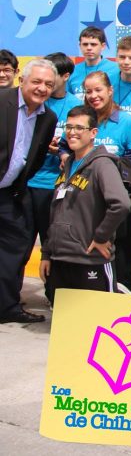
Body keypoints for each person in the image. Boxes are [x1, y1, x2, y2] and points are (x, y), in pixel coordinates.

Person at [40, 103, 131, 301]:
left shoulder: (103, 164)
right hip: (60, 260)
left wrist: (100, 236)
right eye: (69, 127)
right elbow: (56, 212)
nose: (72, 133)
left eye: (79, 128)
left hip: (90, 261)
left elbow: (121, 204)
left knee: (98, 324)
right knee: (65, 327)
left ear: (93, 133)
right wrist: (46, 254)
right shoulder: (68, 164)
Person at [0, 59, 58, 323]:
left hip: (10, 192)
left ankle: (7, 307)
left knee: (16, 247)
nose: (42, 88)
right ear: (22, 80)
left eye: (48, 83)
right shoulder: (2, 101)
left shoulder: (49, 117)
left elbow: (35, 157)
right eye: (36, 81)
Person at [81, 70, 131, 292]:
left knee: (123, 243)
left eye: (98, 90)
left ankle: (126, 286)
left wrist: (106, 168)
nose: (93, 95)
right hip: (86, 195)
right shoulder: (81, 118)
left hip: (117, 192)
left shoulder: (126, 121)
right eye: (88, 91)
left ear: (109, 90)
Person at [21, 54, 77, 288]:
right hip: (25, 185)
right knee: (20, 246)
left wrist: (63, 152)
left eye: (50, 78)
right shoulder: (30, 102)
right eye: (38, 80)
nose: (44, 84)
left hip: (56, 186)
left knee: (53, 246)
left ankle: (54, 296)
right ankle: (10, 298)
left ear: (63, 77)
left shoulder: (74, 106)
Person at [68, 26, 120, 101]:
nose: (89, 48)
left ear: (103, 46)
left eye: (93, 44)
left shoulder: (116, 69)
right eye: (85, 44)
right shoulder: (72, 71)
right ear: (80, 46)